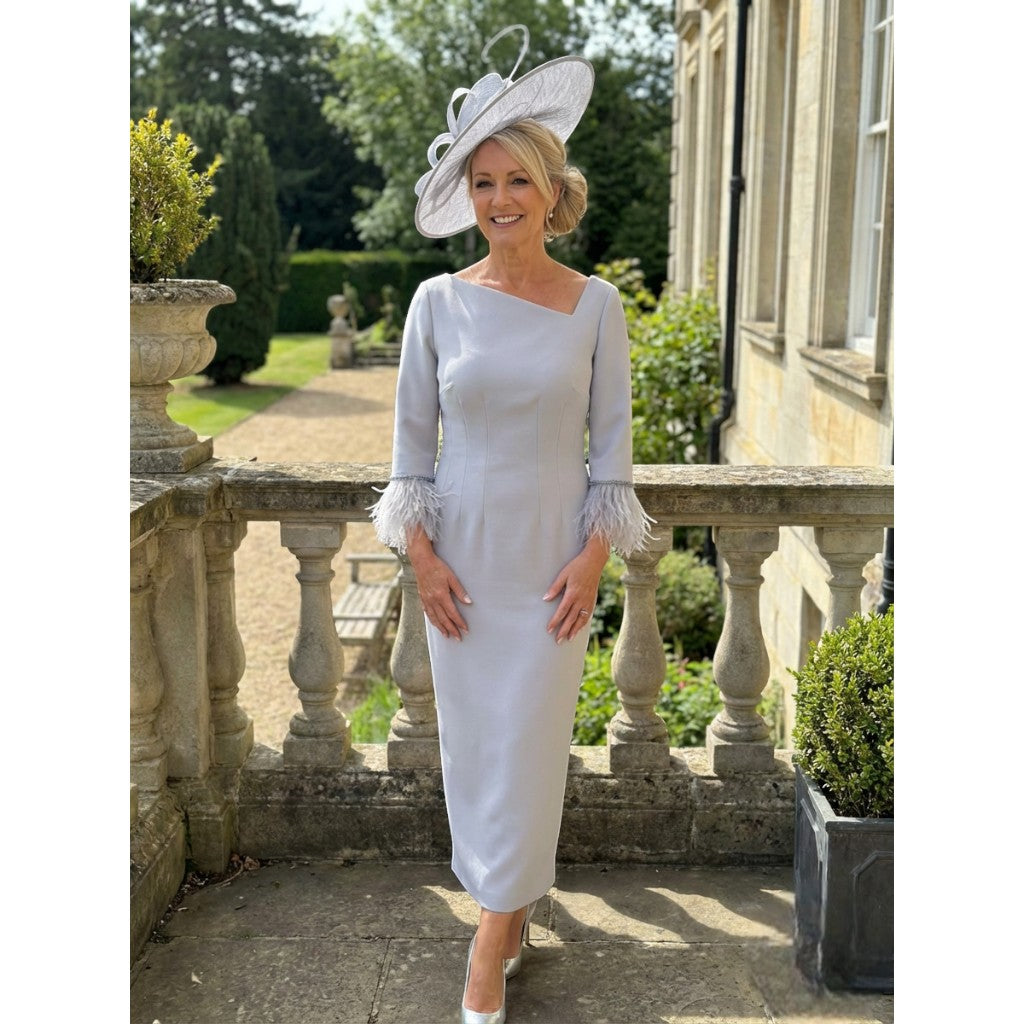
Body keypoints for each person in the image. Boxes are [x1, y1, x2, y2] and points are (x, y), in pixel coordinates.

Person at [370, 26, 652, 1024]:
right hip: (460, 571)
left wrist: (590, 559)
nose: (498, 201)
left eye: (514, 181)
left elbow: (611, 453)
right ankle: (510, 906)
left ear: (548, 187)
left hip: (546, 572)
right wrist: (422, 562)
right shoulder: (435, 305)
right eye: (481, 182)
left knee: (530, 751)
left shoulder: (595, 307)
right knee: (478, 752)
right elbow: (409, 453)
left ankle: (488, 945)